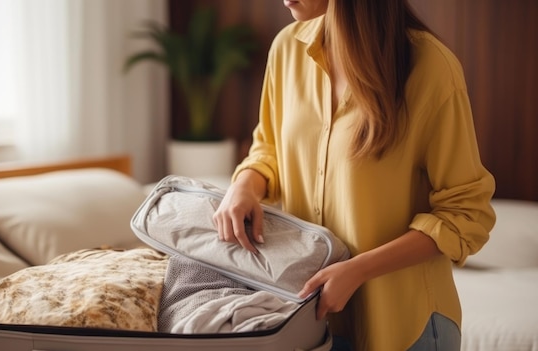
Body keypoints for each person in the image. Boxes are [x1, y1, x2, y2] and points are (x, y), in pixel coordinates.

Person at [212, 0, 496, 350]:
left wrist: (357, 270)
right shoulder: (287, 48)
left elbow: (466, 214)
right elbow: (268, 147)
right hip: (310, 322)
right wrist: (244, 185)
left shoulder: (431, 67)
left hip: (404, 326)